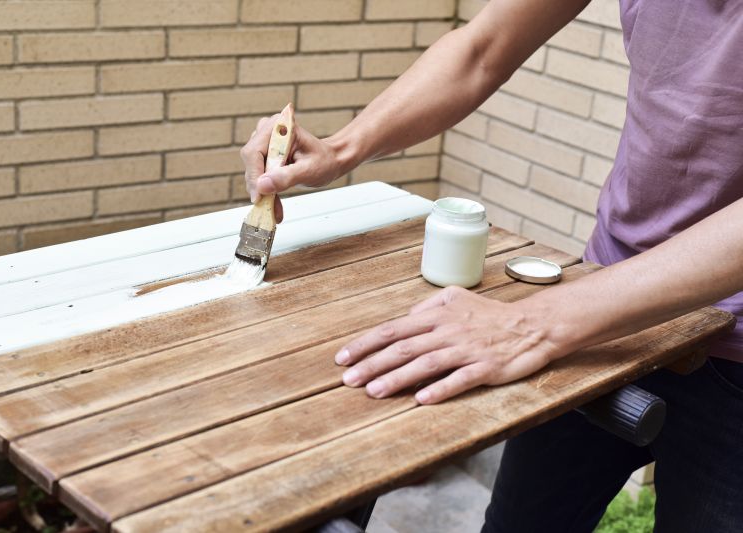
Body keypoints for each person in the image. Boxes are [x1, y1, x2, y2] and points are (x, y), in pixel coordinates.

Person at [240, 0, 743, 531]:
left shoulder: (544, 324)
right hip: (599, 305)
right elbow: (484, 47)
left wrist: (536, 323)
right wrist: (343, 149)